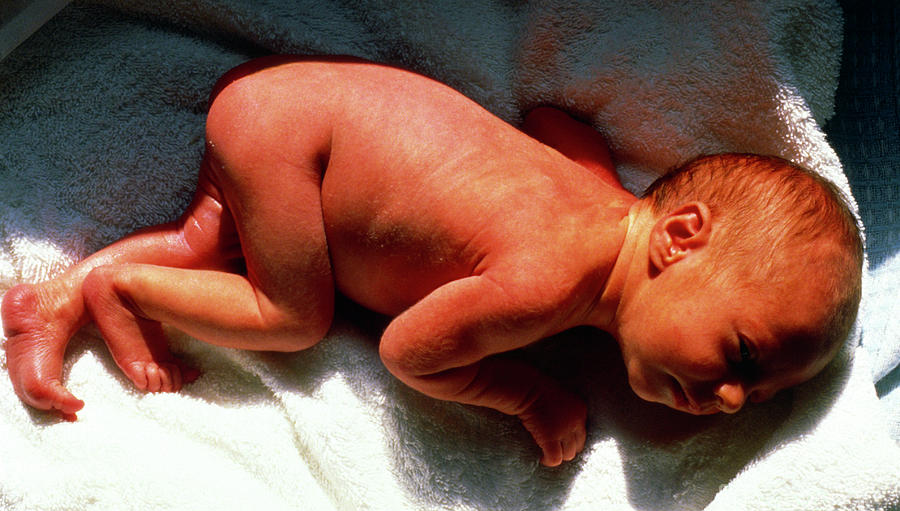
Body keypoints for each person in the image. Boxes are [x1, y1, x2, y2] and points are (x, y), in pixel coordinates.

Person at [1, 56, 862, 466]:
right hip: (304, 140)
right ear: (679, 238)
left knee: (205, 246)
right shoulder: (543, 287)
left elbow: (556, 117)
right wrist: (533, 392)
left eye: (767, 395)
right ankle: (121, 287)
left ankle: (59, 300)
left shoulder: (595, 189)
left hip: (298, 108)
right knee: (295, 317)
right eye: (744, 355)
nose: (736, 400)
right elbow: (410, 352)